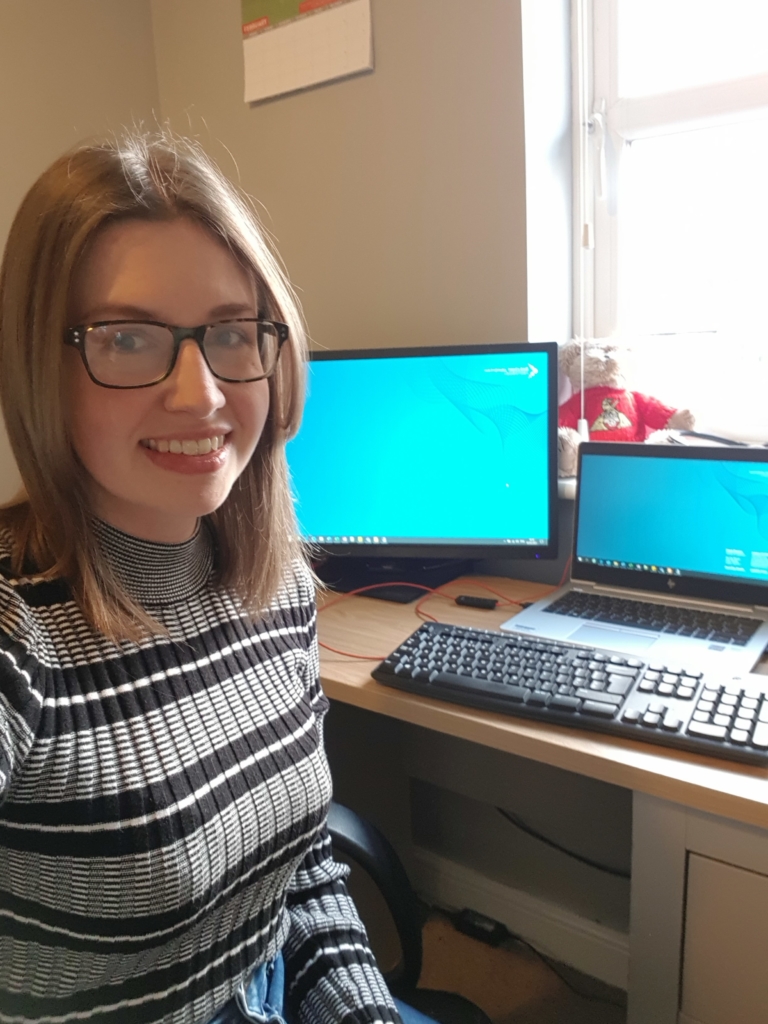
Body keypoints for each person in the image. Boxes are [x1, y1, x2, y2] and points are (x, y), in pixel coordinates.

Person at [0, 133, 406, 1024]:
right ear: (39, 364)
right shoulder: (16, 633)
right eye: (128, 338)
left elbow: (298, 867)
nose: (201, 395)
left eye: (229, 333)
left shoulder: (277, 585)